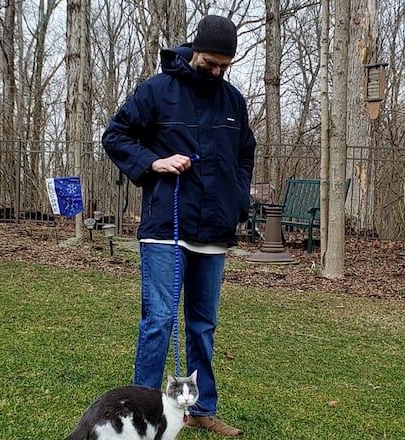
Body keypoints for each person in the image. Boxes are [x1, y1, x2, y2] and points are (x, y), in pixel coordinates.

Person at [101, 14, 255, 438]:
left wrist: (237, 200)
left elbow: (245, 155)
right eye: (211, 62)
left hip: (215, 231)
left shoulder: (233, 102)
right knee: (158, 323)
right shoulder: (156, 91)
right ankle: (141, 411)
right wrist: (154, 162)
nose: (218, 72)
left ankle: (202, 409)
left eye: (226, 65)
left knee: (202, 325)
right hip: (165, 227)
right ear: (193, 52)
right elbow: (115, 136)